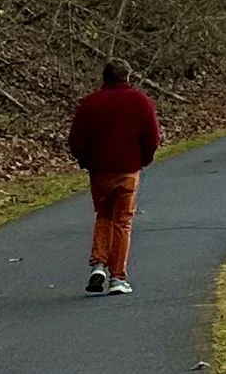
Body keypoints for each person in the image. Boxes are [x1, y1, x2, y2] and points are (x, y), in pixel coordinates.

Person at [67, 61, 161, 295]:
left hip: (100, 171)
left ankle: (98, 265)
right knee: (123, 222)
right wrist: (143, 159)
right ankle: (117, 277)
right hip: (128, 170)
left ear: (104, 77)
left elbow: (76, 139)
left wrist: (86, 161)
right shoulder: (140, 101)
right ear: (127, 76)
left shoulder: (89, 103)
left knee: (104, 216)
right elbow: (153, 136)